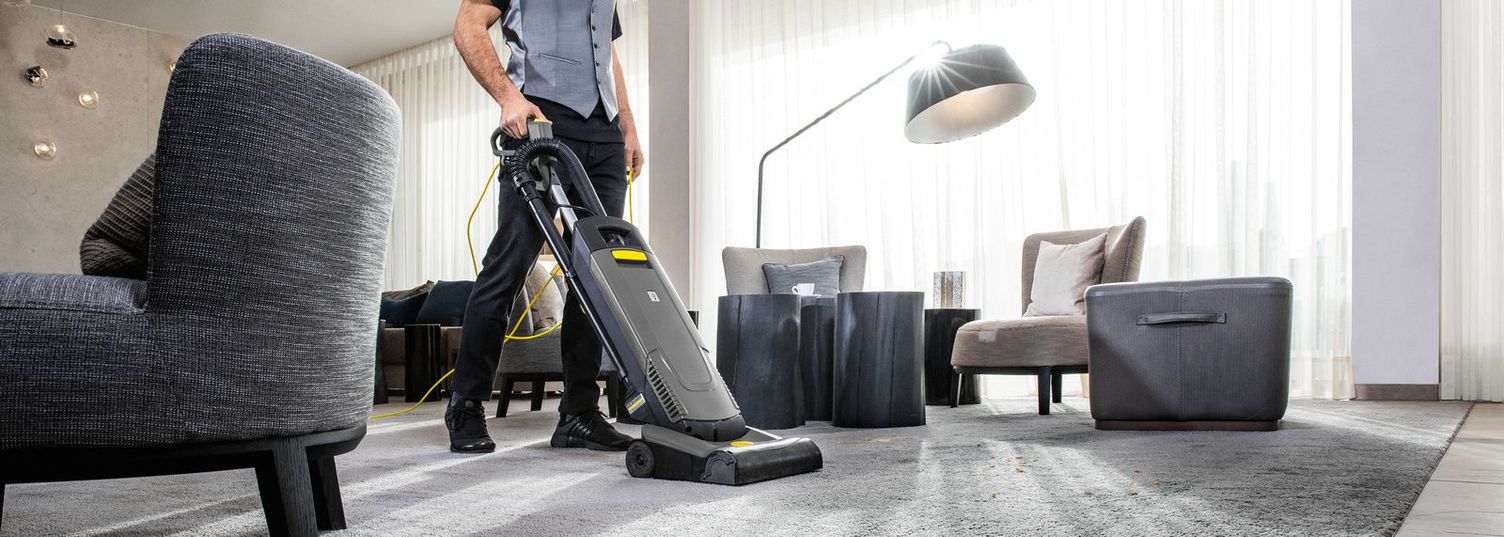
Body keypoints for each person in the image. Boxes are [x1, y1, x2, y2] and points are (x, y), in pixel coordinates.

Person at [447, 0, 645, 453]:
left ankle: (578, 413)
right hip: (541, 121)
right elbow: (467, 26)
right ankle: (466, 404)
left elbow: (607, 54)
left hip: (605, 135)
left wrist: (628, 128)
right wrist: (507, 97)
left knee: (598, 279)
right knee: (510, 265)